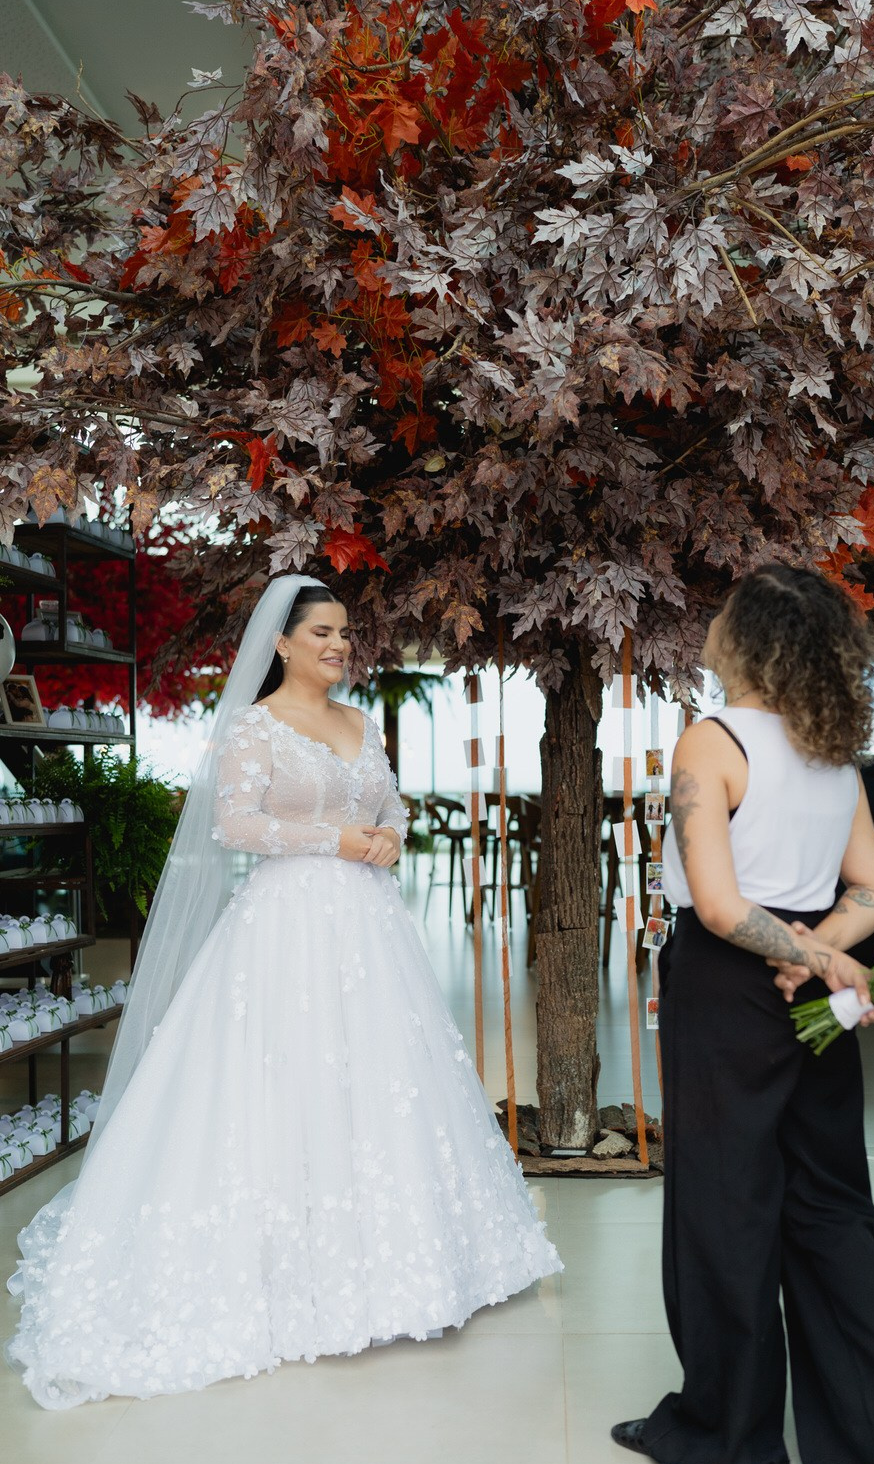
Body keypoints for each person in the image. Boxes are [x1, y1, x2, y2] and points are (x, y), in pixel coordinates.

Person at [6, 576, 561, 1408]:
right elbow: (236, 825)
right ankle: (278, 1270)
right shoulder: (253, 727)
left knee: (377, 1083)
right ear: (282, 643)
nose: (339, 644)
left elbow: (394, 807)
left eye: (345, 632)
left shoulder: (359, 722)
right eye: (324, 632)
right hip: (284, 925)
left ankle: (401, 1265)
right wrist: (334, 838)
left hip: (369, 933)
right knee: (281, 1080)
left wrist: (386, 835)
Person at [611, 564, 874, 1464]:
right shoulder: (831, 752)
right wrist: (825, 954)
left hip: (728, 991)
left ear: (742, 641)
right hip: (809, 998)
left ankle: (727, 1434)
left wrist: (812, 958)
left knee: (726, 1207)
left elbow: (718, 906)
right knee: (832, 1208)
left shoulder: (710, 741)